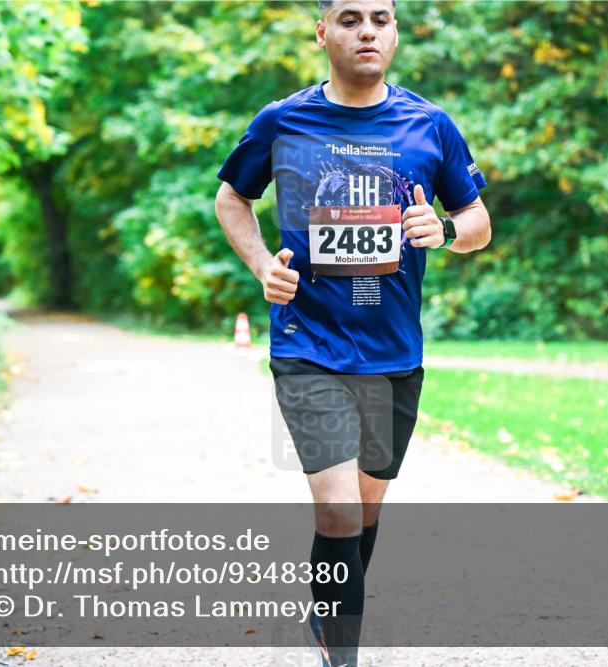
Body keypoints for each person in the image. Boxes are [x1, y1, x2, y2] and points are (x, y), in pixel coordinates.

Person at [214, 1, 491, 664]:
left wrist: (443, 230)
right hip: (307, 345)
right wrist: (262, 266)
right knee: (337, 508)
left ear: (394, 31)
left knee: (364, 511)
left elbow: (477, 222)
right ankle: (342, 655)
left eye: (381, 18)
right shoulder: (282, 120)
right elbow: (232, 197)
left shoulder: (430, 124)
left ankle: (328, 611)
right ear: (322, 32)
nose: (367, 30)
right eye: (349, 19)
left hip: (393, 352)